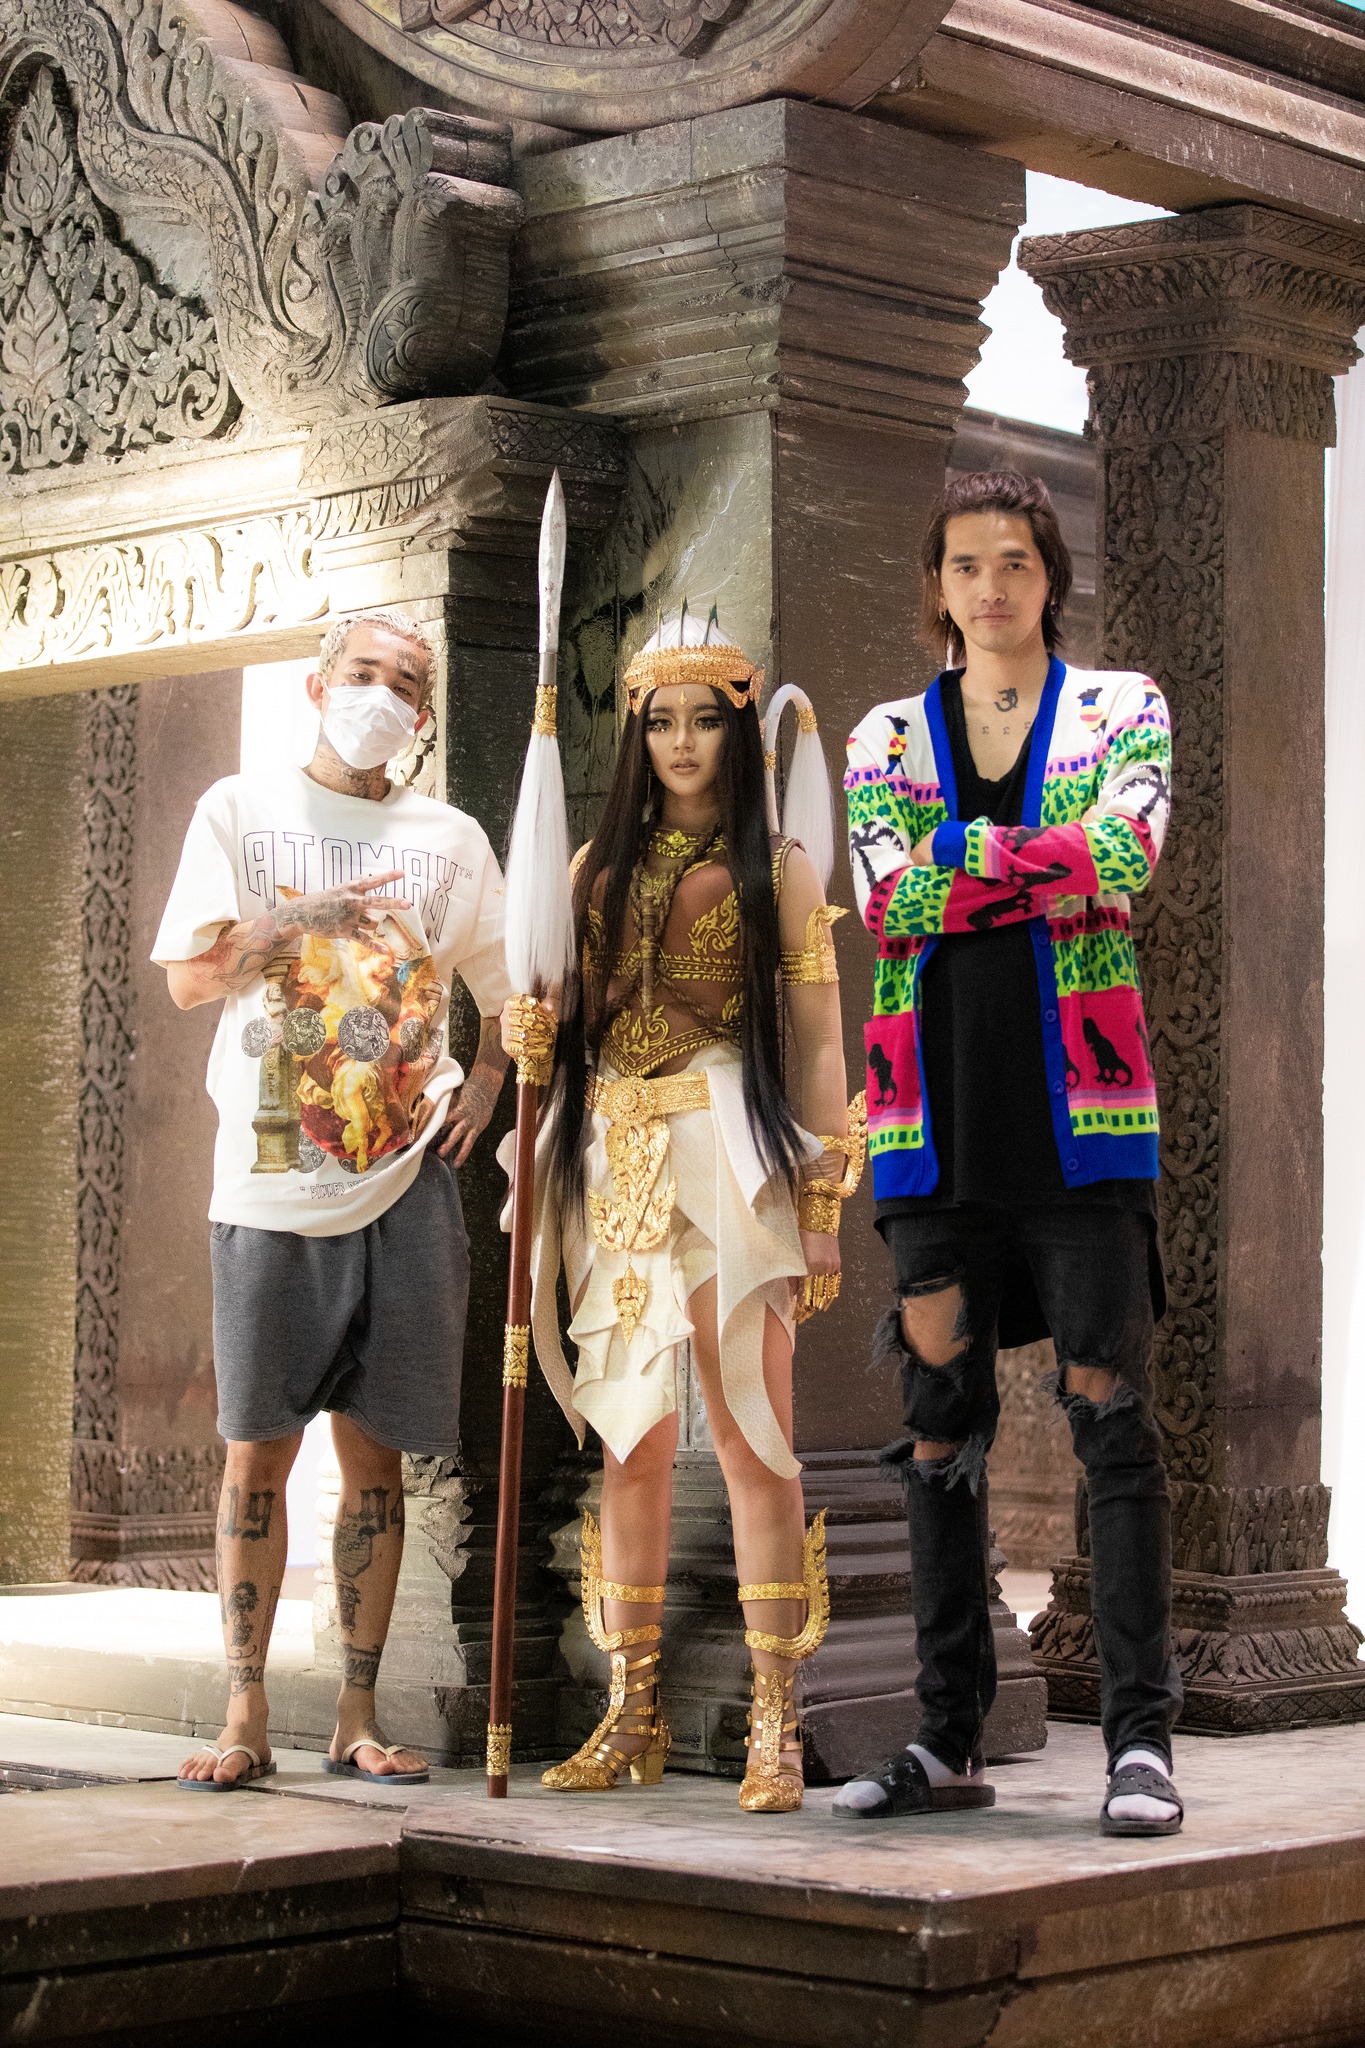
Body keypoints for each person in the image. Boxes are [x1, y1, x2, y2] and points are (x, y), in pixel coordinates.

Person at [833, 470, 1183, 1836]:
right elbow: (884, 897)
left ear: (1051, 579)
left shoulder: (1121, 708)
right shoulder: (882, 734)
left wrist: (962, 862)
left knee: (1110, 1419)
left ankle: (1140, 1744)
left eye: (1017, 563)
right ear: (938, 584)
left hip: (1086, 1116)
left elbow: (1125, 855)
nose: (991, 587)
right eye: (968, 564)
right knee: (938, 1433)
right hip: (929, 1121)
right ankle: (945, 1735)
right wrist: (1041, 859)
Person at [503, 610, 860, 1812]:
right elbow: (557, 1012)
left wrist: (822, 1198)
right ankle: (632, 1708)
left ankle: (776, 1716)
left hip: (727, 1148)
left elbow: (820, 1041)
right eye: (662, 721)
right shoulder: (590, 870)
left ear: (738, 728)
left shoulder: (781, 870)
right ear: (637, 733)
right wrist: (529, 1033)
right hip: (611, 1152)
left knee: (754, 1426)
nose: (684, 741)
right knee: (629, 1438)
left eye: (706, 719)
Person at [154, 609, 510, 1789]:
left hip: (407, 1182)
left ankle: (357, 1713)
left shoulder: (451, 840)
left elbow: (517, 986)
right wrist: (281, 929)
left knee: (378, 1464)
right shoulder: (239, 810)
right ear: (318, 685)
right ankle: (244, 1709)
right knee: (256, 1456)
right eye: (363, 673)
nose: (382, 696)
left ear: (424, 716)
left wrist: (487, 1085)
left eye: (406, 683)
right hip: (270, 1184)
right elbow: (187, 978)